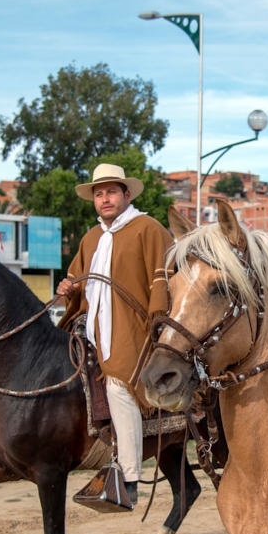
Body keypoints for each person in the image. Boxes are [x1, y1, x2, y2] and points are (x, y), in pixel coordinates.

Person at [56, 164, 171, 506]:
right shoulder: (91, 238)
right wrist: (67, 288)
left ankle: (129, 476)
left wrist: (158, 326)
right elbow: (76, 285)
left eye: (111, 192)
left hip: (135, 328)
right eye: (99, 194)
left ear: (127, 195)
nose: (104, 199)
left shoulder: (148, 228)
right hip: (93, 328)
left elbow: (165, 278)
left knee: (119, 385)